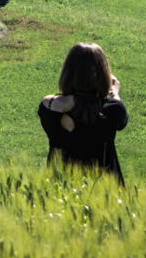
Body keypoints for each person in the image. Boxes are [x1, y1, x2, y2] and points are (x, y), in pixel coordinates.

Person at [37, 42, 128, 185]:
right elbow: (120, 118)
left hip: (59, 186)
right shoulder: (112, 109)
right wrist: (113, 92)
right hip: (103, 188)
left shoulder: (49, 105)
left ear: (68, 72)